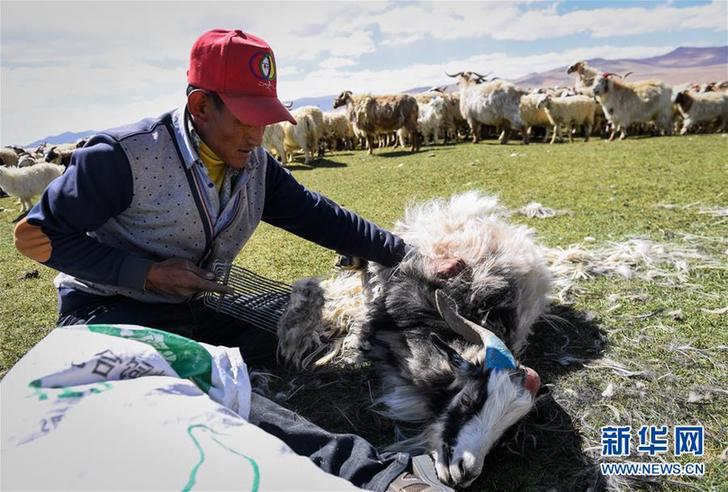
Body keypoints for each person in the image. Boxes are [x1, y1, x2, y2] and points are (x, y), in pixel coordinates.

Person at [14, 29, 462, 491]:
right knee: (203, 384)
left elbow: (319, 216)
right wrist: (144, 273)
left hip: (194, 305)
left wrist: (411, 256)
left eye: (264, 118)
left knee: (297, 326)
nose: (257, 134)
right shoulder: (123, 157)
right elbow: (35, 236)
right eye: (246, 118)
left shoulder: (254, 165)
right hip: (111, 311)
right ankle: (373, 475)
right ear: (201, 107)